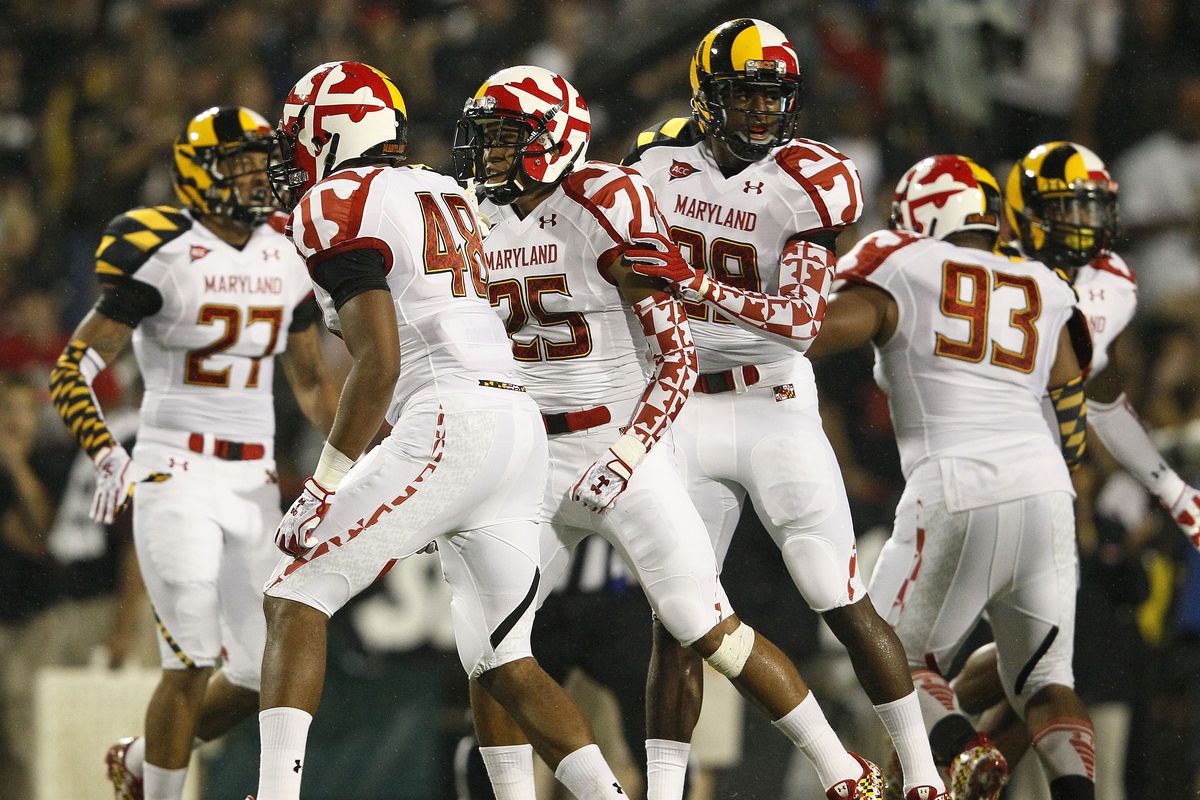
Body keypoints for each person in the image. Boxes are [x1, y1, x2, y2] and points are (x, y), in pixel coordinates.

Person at [454, 64, 893, 800]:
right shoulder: (470, 208)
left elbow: (678, 351)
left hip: (620, 438)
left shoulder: (608, 197)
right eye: (487, 137)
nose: (489, 153)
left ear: (553, 139)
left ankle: (845, 769)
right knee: (490, 649)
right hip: (526, 448)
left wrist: (629, 451)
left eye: (507, 137)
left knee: (698, 618)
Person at [252, 60, 628, 800]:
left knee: (294, 593)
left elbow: (382, 362)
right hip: (515, 426)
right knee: (506, 662)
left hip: (449, 418)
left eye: (298, 135)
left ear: (331, 131)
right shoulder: (444, 189)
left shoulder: (335, 201)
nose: (291, 153)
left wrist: (326, 484)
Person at [621, 18, 946, 800]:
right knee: (680, 616)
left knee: (832, 588)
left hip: (771, 400)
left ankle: (924, 776)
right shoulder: (654, 159)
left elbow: (799, 323)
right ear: (706, 95)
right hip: (680, 405)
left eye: (775, 97)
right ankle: (665, 793)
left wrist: (690, 281)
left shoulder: (813, 175)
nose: (764, 112)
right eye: (746, 95)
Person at [47, 105, 339, 800]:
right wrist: (107, 453)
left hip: (256, 480)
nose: (257, 176)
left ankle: (143, 762)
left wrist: (366, 460)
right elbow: (72, 368)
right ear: (199, 171)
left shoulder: (284, 252)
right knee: (189, 661)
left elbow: (311, 382)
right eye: (239, 162)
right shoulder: (159, 249)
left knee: (255, 669)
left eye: (260, 159)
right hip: (175, 471)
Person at [807, 154, 1098, 800]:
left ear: (923, 213)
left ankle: (964, 751)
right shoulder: (1044, 283)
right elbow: (1073, 405)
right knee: (1048, 682)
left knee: (881, 647)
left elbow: (821, 331)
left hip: (957, 481)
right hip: (1047, 488)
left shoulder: (902, 260)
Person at [950, 140, 1200, 792]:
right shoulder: (984, 263)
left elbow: (1087, 373)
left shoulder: (1105, 275)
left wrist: (1168, 487)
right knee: (1023, 661)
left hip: (1040, 475)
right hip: (967, 465)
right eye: (1069, 209)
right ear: (1028, 212)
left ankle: (953, 750)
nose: (1085, 223)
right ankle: (936, 732)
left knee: (1039, 665)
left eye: (1093, 208)